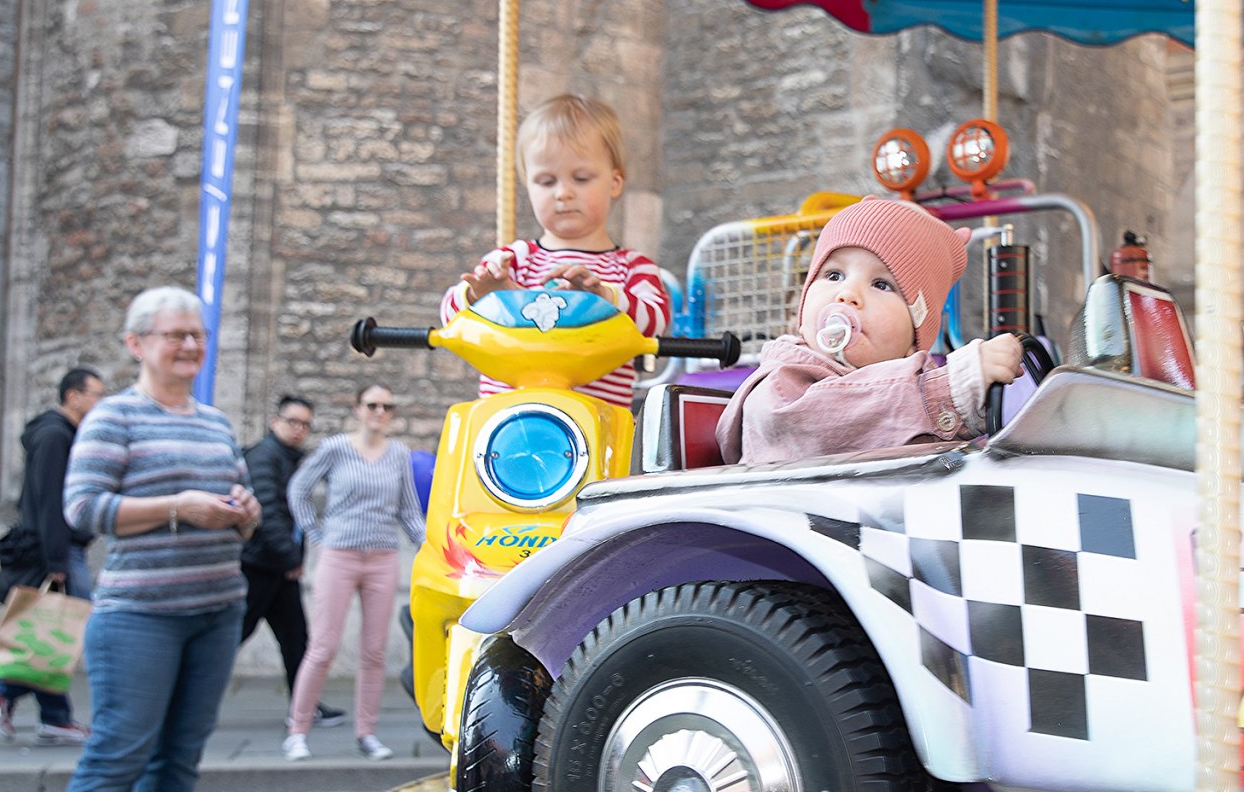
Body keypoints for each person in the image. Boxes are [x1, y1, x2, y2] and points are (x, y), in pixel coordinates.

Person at [62, 287, 262, 792]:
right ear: (137, 343)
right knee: (117, 760)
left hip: (217, 613)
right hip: (140, 618)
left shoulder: (216, 422)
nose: (191, 345)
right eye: (176, 334)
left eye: (198, 334)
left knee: (178, 764)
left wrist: (246, 513)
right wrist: (178, 507)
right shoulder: (113, 417)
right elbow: (83, 509)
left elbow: (243, 512)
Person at [717, 197, 1024, 465]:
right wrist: (954, 388)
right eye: (834, 275)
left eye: (881, 284)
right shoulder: (784, 378)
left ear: (914, 334)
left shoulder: (918, 381)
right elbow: (819, 424)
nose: (847, 293)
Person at [439, 94, 670, 407]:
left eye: (581, 178)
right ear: (529, 187)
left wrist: (605, 297)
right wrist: (480, 295)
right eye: (546, 181)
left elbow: (656, 321)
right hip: (507, 419)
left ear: (615, 182)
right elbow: (450, 318)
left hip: (596, 429)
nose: (563, 193)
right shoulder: (513, 260)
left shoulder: (631, 267)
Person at [281, 384, 424, 762]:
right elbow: (298, 489)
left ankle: (367, 732)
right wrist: (315, 534)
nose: (380, 411)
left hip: (382, 557)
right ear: (358, 409)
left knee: (374, 651)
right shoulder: (335, 448)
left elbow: (408, 510)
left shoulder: (398, 454)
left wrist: (428, 544)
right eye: (373, 405)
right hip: (339, 554)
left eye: (387, 406)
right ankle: (296, 730)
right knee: (323, 646)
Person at [0, 367, 105, 745]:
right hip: (56, 551)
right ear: (72, 396)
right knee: (64, 629)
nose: (100, 402)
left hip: (60, 548)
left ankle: (55, 716)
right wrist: (57, 561)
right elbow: (51, 503)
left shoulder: (61, 435)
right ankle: (2, 690)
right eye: (95, 394)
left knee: (53, 630)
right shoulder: (53, 437)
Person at [238, 395, 347, 731]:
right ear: (275, 422)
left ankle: (306, 706)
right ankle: (185, 698)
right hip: (259, 566)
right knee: (233, 634)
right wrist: (289, 557)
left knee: (295, 637)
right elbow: (267, 513)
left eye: (305, 424)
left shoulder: (289, 458)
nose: (299, 429)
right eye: (293, 422)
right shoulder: (265, 456)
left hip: (278, 568)